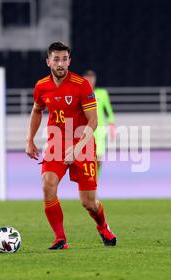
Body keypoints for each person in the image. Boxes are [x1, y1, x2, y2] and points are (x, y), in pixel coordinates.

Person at [25, 42, 117, 250]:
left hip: (82, 145)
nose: (60, 63)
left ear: (69, 61)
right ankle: (60, 239)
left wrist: (76, 149)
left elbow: (92, 121)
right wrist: (29, 139)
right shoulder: (41, 86)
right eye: (56, 59)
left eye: (64, 59)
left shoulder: (81, 85)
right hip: (56, 144)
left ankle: (103, 227)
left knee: (88, 202)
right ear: (48, 61)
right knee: (47, 185)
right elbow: (37, 110)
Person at [82, 70, 116, 172]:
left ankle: (95, 181)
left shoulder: (102, 93)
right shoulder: (79, 94)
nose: (90, 81)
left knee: (98, 158)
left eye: (92, 79)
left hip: (99, 129)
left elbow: (109, 111)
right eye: (87, 79)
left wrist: (112, 124)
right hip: (84, 128)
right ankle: (89, 181)